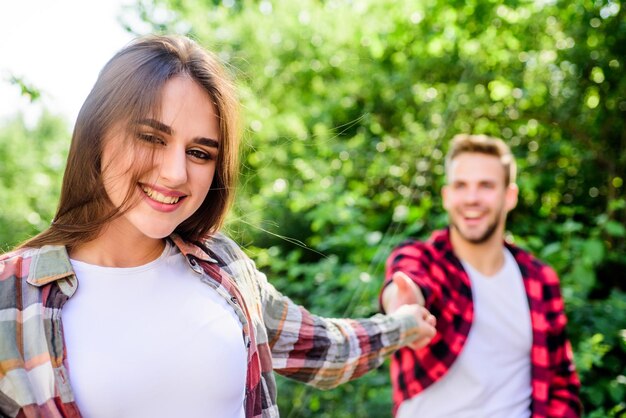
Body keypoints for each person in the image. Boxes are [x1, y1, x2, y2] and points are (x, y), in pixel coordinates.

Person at [0, 35, 437, 418]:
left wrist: (401, 325)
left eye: (200, 153)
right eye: (152, 138)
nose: (174, 173)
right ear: (97, 134)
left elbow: (322, 348)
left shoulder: (222, 266)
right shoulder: (11, 295)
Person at [380, 134, 581, 417]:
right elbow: (406, 282)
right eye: (461, 186)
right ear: (447, 197)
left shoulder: (539, 279)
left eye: (486, 186)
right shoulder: (424, 258)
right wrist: (403, 309)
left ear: (509, 196)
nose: (472, 199)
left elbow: (562, 383)